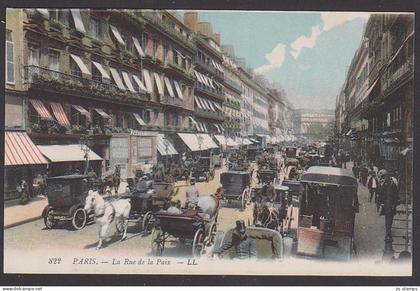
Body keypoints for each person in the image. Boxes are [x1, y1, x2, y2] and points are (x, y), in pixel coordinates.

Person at [377, 169, 399, 241]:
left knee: (389, 220)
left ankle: (388, 235)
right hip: (389, 205)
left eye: (382, 176)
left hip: (389, 205)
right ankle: (388, 235)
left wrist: (393, 204)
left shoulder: (390, 184)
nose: (381, 178)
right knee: (389, 220)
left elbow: (395, 195)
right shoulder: (389, 183)